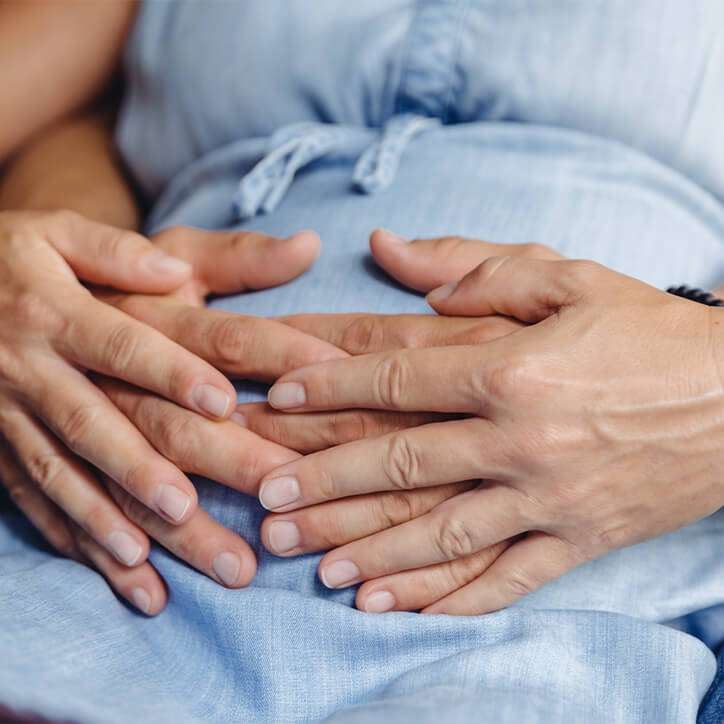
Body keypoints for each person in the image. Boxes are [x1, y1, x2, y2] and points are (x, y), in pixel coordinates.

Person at [2, 1, 724, 722]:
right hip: (87, 558)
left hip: (551, 627)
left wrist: (707, 376)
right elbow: (83, 118)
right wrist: (56, 272)